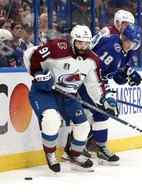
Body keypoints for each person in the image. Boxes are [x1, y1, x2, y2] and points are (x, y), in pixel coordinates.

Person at [26, 25, 118, 172]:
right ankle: (50, 154)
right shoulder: (57, 47)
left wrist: (104, 99)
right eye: (80, 42)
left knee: (83, 126)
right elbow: (31, 54)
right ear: (73, 40)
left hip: (68, 96)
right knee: (51, 120)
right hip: (46, 92)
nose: (83, 46)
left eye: (86, 43)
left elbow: (94, 85)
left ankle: (74, 154)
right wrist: (37, 73)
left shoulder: (92, 60)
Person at [63, 24, 142, 165]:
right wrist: (105, 94)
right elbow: (95, 70)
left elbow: (116, 76)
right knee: (100, 111)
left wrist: (127, 74)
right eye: (129, 41)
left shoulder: (126, 51)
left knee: (97, 112)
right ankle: (94, 146)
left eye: (134, 43)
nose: (131, 45)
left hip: (94, 81)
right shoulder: (112, 48)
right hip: (85, 80)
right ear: (123, 37)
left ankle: (89, 145)